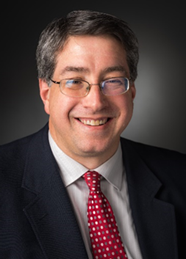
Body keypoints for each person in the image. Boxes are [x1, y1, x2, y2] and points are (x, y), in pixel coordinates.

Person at [0, 10, 186, 259]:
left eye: (113, 81)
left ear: (131, 92)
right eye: (75, 81)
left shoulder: (180, 175)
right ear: (46, 93)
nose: (96, 102)